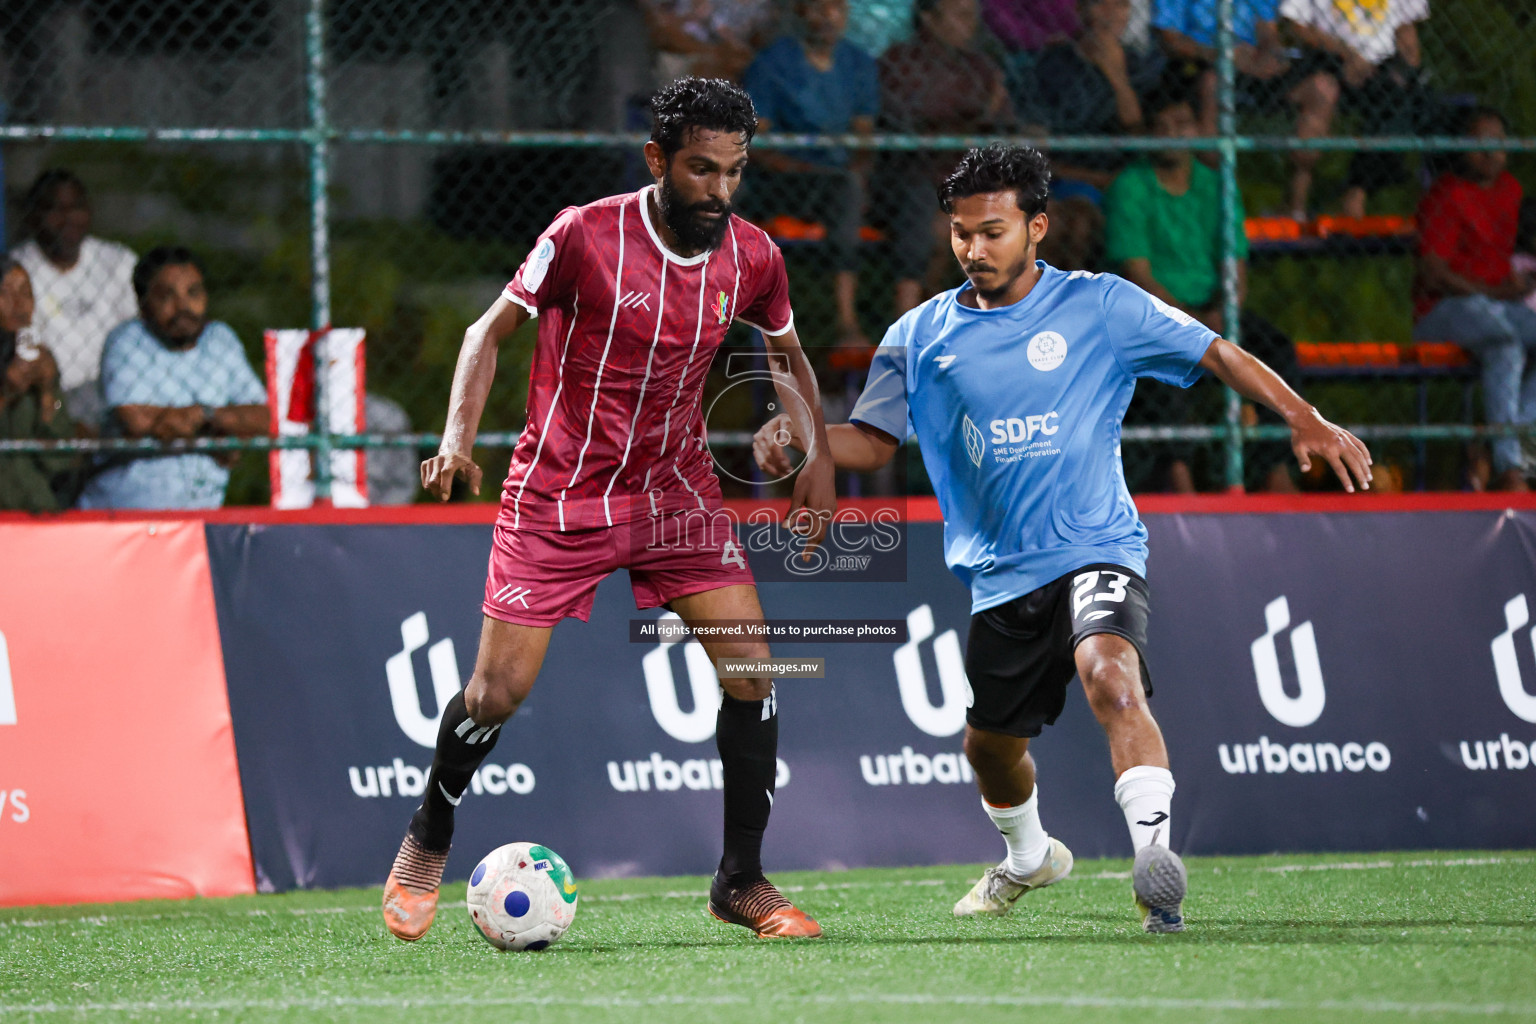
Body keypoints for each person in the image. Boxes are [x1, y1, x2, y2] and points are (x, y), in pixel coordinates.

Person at [753, 144, 1371, 931]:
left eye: (994, 231)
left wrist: (1303, 417)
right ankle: (1028, 856)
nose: (975, 249)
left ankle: (1156, 873)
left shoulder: (1102, 305)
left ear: (1037, 227)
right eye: (962, 234)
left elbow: (1214, 350)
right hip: (1000, 577)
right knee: (989, 750)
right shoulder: (918, 335)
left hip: (1097, 545)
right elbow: (873, 442)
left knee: (1110, 675)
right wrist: (802, 434)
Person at [381, 77, 836, 944]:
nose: (719, 191)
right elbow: (488, 333)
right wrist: (455, 440)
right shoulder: (583, 233)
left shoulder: (753, 256)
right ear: (658, 159)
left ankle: (741, 880)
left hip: (676, 491)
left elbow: (788, 354)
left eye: (734, 172)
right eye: (701, 170)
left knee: (752, 672)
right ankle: (429, 833)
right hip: (559, 492)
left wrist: (808, 453)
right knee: (497, 691)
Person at [1104, 86, 1300, 492]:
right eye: (1162, 126)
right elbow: (1136, 274)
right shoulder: (1130, 185)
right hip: (1153, 314)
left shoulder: (1217, 186)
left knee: (1277, 349)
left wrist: (1224, 312)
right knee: (1163, 359)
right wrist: (1188, 323)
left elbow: (1235, 266)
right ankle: (1179, 475)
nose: (1172, 134)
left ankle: (1273, 468)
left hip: (1213, 310)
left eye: (1181, 124)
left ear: (1196, 128)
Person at [75, 247, 268, 510]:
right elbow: (137, 420)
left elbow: (264, 417)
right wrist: (221, 428)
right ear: (143, 305)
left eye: (193, 292)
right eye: (167, 296)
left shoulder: (220, 339)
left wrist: (204, 415)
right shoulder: (128, 339)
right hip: (122, 511)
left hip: (200, 514)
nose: (183, 307)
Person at [743, 0, 880, 345]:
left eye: (836, 8)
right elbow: (757, 144)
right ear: (801, 12)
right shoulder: (773, 63)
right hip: (786, 179)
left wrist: (859, 170)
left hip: (842, 182)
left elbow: (864, 135)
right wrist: (808, 168)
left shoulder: (858, 64)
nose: (827, 17)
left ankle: (865, 329)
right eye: (818, 8)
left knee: (852, 187)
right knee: (844, 187)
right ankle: (846, 324)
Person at [1413, 107, 1534, 493]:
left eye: (1497, 144)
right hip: (1443, 310)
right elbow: (1434, 274)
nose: (1489, 153)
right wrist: (1499, 291)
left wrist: (1520, 281)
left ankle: (1513, 440)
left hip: (1499, 305)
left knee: (1509, 333)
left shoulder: (1511, 190)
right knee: (1505, 345)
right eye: (1479, 143)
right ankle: (1511, 467)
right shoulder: (1445, 194)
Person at [879, 0, 1015, 316]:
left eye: (973, 15)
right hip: (917, 175)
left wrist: (985, 119)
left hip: (974, 177)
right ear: (928, 18)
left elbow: (1002, 122)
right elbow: (910, 128)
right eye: (961, 15)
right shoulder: (901, 61)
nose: (970, 24)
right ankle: (912, 319)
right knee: (932, 220)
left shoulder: (981, 66)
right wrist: (978, 118)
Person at [1153, 0, 1338, 221]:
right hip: (1201, 65)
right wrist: (1220, 54)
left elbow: (1267, 30)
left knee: (1323, 87)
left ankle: (1295, 206)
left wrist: (1269, 54)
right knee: (1212, 83)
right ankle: (1221, 206)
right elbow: (1170, 41)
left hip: (1250, 63)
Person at [10, 169, 139, 428]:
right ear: (34, 216)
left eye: (76, 208)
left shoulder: (118, 262)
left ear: (89, 212)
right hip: (49, 397)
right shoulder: (17, 270)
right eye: (55, 209)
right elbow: (24, 348)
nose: (68, 219)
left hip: (116, 392)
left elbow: (137, 335)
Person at [1279, 0, 1430, 218]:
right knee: (1323, 92)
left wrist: (1407, 73)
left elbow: (1407, 33)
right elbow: (1294, 27)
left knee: (1405, 101)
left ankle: (1356, 191)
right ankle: (1297, 205)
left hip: (1383, 67)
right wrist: (1344, 53)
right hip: (1327, 58)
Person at [0, 259, 78, 511]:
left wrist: (47, 393)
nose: (19, 304)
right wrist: (6, 395)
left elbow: (59, 460)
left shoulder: (34, 361)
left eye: (26, 293)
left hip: (34, 506)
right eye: (5, 293)